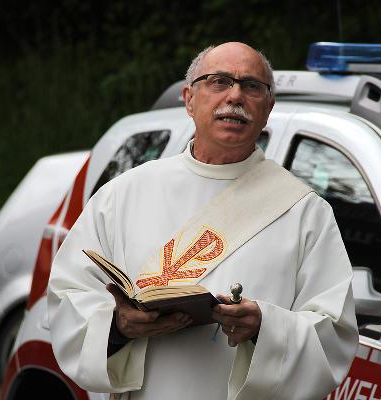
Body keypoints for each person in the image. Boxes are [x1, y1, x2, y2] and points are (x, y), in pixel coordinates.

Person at [48, 42, 358, 400]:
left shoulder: (305, 212)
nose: (235, 96)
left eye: (252, 86)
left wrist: (264, 327)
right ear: (189, 99)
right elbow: (69, 298)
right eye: (219, 81)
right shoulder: (123, 194)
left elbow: (333, 334)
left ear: (268, 108)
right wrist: (117, 327)